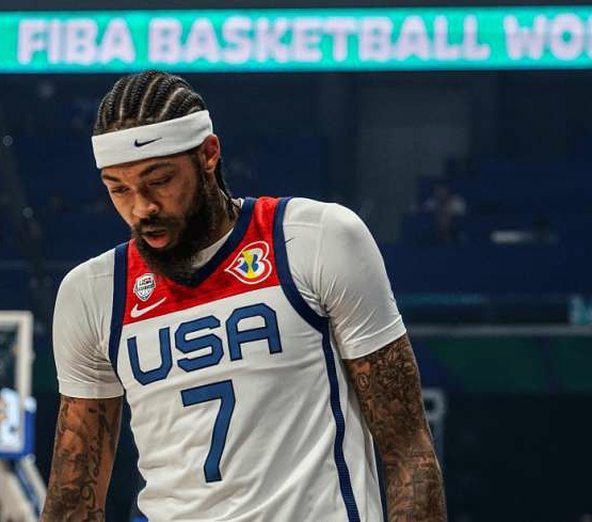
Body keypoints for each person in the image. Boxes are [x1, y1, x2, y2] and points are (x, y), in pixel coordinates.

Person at [42, 70, 446, 522]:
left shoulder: (315, 239)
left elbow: (408, 450)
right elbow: (72, 498)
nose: (142, 207)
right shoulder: (93, 293)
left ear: (208, 154)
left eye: (160, 180)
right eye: (118, 189)